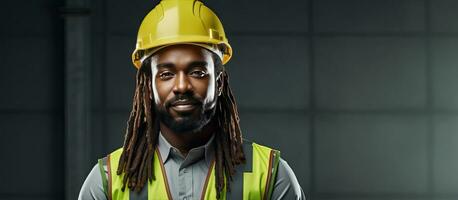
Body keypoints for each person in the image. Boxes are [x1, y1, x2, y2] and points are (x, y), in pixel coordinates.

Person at [79, 0, 305, 199]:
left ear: (219, 83)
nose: (181, 86)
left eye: (197, 72)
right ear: (148, 86)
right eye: (166, 74)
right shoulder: (107, 183)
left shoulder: (270, 176)